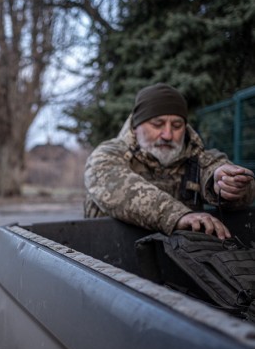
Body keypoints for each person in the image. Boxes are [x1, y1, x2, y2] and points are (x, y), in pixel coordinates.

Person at [84, 83, 255, 239]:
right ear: (136, 126)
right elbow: (115, 186)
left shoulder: (196, 157)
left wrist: (227, 184)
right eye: (158, 124)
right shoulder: (108, 154)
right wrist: (177, 216)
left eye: (177, 125)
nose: (167, 135)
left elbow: (213, 166)